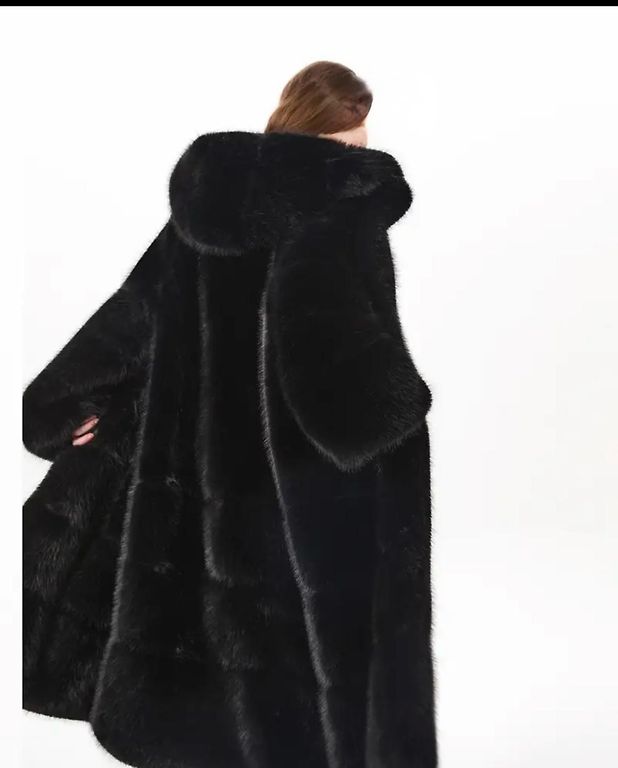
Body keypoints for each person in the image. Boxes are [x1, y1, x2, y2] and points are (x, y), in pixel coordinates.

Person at [23, 61, 437, 768]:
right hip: (291, 488)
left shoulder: (208, 200)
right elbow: (331, 370)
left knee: (206, 661)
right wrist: (395, 416)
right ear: (327, 136)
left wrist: (63, 406)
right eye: (352, 139)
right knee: (299, 677)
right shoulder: (340, 206)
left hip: (192, 482)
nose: (359, 151)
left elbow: (132, 318)